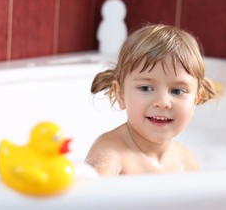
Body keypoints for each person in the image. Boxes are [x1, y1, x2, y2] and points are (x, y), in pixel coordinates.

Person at [85, 24, 218, 176]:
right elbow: (90, 197)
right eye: (145, 88)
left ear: (195, 100)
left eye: (177, 91)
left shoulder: (186, 162)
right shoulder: (110, 153)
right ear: (120, 94)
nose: (162, 102)